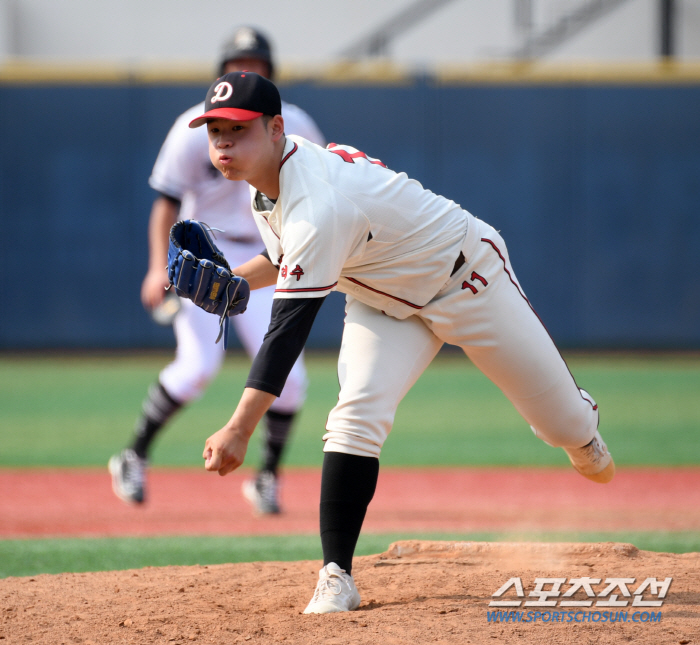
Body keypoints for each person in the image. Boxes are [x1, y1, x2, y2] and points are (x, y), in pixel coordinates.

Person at [194, 72, 615, 614]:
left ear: (276, 130)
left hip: (466, 280)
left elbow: (286, 332)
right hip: (384, 301)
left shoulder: (318, 202)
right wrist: (234, 283)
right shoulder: (270, 185)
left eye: (238, 129)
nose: (223, 143)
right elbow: (286, 257)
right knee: (355, 413)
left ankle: (581, 425)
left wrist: (238, 427)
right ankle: (336, 574)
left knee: (567, 429)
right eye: (215, 131)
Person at [108, 27, 325, 515]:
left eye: (257, 62)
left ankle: (267, 476)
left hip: (269, 256)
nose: (248, 69)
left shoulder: (297, 126)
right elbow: (165, 204)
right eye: (238, 61)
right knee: (196, 369)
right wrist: (154, 267)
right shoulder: (194, 127)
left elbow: (316, 192)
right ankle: (133, 455)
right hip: (204, 260)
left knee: (289, 379)